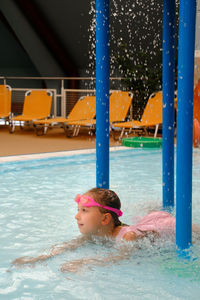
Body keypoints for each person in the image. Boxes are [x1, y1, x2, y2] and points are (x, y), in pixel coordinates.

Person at [12, 188, 200, 272]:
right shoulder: (94, 235)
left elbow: (118, 258)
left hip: (167, 227)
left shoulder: (129, 238)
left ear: (105, 219)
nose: (77, 216)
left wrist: (85, 263)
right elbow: (68, 246)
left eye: (84, 211)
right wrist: (38, 259)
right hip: (146, 222)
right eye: (78, 211)